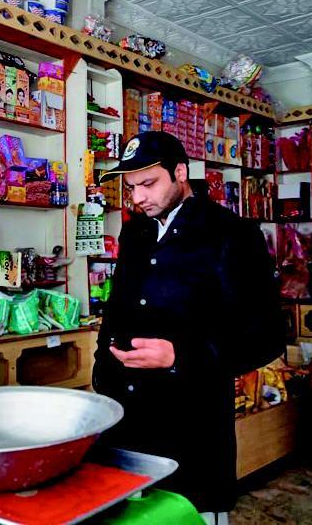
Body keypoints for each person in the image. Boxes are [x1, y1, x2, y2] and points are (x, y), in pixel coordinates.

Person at [93, 131, 283, 524]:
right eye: (131, 187)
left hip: (191, 425)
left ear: (180, 173)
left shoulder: (232, 235)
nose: (138, 198)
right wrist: (102, 370)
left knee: (189, 515)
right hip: (125, 420)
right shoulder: (136, 233)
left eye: (149, 184)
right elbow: (117, 308)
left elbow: (266, 336)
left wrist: (181, 355)